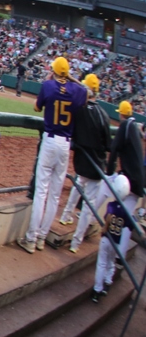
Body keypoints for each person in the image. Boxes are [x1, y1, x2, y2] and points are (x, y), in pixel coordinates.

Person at [18, 57, 87, 253]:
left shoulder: (48, 86)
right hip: (65, 145)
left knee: (41, 192)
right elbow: (86, 90)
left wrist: (54, 79)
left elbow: (37, 107)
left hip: (49, 141)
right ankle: (40, 238)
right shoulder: (76, 90)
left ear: (53, 71)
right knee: (54, 195)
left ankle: (31, 239)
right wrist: (70, 77)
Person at [62, 74, 111, 248]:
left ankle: (65, 216)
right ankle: (75, 243)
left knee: (77, 184)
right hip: (96, 165)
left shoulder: (79, 110)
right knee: (88, 205)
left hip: (80, 161)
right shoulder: (103, 115)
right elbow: (108, 145)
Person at [91, 173, 134, 302]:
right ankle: (108, 282)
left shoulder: (111, 205)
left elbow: (107, 218)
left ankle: (96, 290)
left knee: (101, 264)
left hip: (106, 239)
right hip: (116, 241)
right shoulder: (126, 211)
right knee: (110, 263)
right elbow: (130, 226)